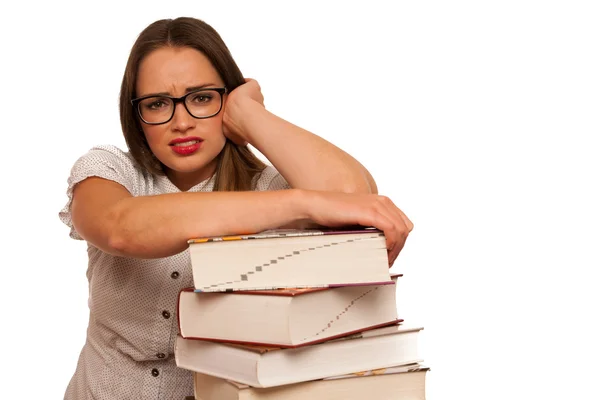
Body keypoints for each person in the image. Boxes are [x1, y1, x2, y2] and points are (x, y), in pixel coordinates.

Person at [58, 16, 413, 400]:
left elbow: (352, 197)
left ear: (227, 99)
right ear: (136, 115)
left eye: (202, 98)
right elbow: (119, 228)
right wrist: (300, 202)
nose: (181, 122)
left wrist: (252, 116)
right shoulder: (110, 171)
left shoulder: (266, 188)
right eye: (158, 104)